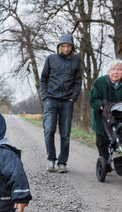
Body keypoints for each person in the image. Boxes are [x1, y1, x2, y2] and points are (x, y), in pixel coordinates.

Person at [40, 33, 82, 173]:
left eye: (68, 46)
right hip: (51, 100)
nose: (65, 49)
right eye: (63, 46)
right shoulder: (51, 59)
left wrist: (73, 98)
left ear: (72, 47)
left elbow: (78, 81)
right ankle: (51, 159)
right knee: (49, 130)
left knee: (65, 133)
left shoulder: (76, 60)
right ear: (59, 46)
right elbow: (43, 79)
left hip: (67, 102)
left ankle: (62, 162)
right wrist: (45, 96)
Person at [89, 59, 122, 167]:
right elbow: (93, 99)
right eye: (113, 69)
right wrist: (101, 105)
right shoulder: (100, 82)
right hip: (101, 118)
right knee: (102, 142)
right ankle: (105, 163)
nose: (115, 72)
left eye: (119, 70)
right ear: (109, 71)